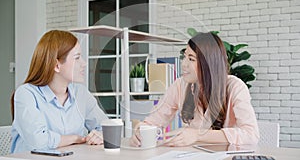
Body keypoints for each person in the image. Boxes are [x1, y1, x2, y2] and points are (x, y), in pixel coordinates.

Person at [130, 32, 259, 147]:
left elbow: (250, 135)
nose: (184, 64)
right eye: (184, 57)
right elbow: (155, 120)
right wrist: (141, 130)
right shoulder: (180, 85)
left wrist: (197, 135)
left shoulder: (235, 87)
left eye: (191, 59)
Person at [11, 30, 108, 153]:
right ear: (56, 65)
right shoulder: (26, 94)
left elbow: (106, 127)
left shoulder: (80, 93)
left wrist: (100, 135)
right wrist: (75, 138)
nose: (84, 63)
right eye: (77, 58)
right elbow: (39, 142)